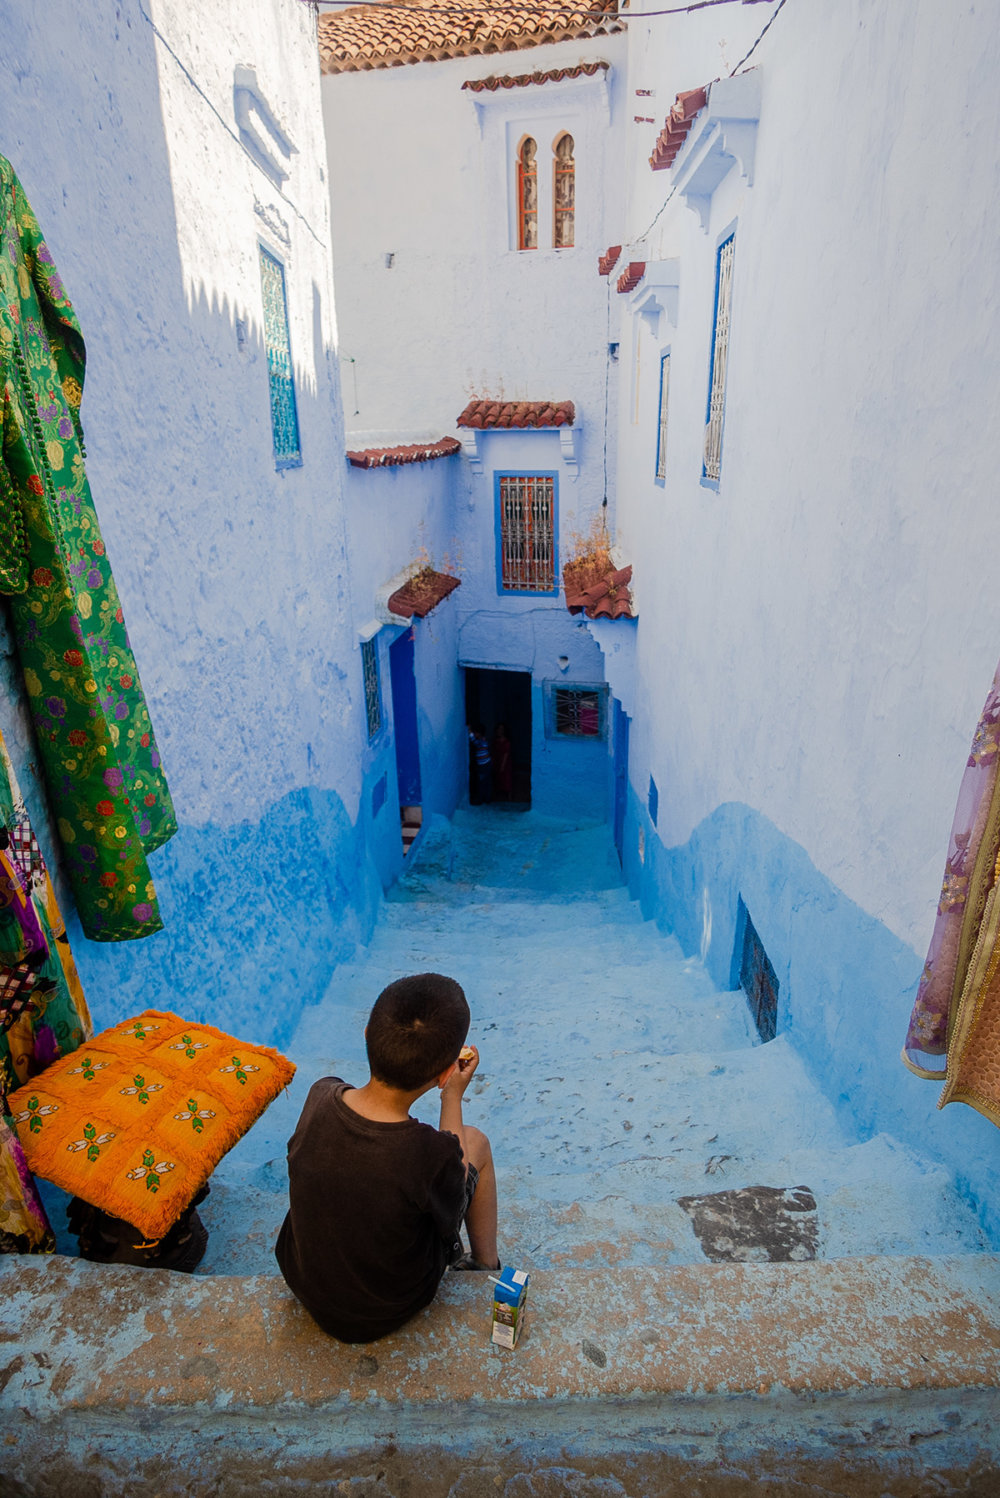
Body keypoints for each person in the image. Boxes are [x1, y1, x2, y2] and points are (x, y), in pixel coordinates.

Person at [275, 972, 499, 1343]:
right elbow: (454, 1194)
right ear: (445, 1074)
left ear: (366, 1035)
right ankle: (485, 1264)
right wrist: (452, 1099)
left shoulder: (320, 1096)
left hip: (306, 1285)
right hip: (390, 1305)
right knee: (476, 1144)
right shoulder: (430, 1153)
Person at [468, 723, 492, 804]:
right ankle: (486, 798)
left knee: (482, 782)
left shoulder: (482, 741)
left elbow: (476, 743)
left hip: (484, 765)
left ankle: (482, 799)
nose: (474, 734)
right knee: (484, 781)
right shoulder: (482, 740)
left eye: (475, 733)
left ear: (479, 733)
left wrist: (470, 733)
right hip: (484, 764)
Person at [492, 722, 513, 800]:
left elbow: (506, 754)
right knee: (497, 778)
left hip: (505, 762)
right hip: (497, 761)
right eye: (498, 729)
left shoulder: (507, 742)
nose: (500, 731)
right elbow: (493, 752)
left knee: (506, 778)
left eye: (501, 729)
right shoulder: (495, 741)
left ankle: (509, 796)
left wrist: (502, 765)